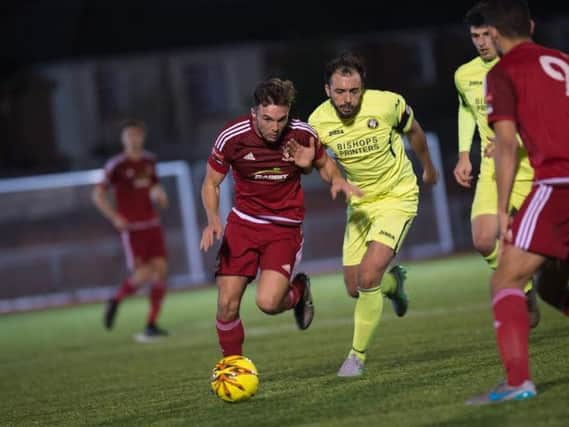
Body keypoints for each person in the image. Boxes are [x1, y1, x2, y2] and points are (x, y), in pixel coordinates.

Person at [200, 78, 360, 358]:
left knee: (269, 303)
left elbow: (325, 164)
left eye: (280, 119)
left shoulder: (301, 134)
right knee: (226, 304)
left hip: (283, 228)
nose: (275, 127)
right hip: (243, 225)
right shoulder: (232, 136)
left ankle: (299, 289)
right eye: (267, 119)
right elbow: (211, 183)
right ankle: (233, 367)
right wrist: (213, 218)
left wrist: (336, 180)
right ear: (254, 113)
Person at [308, 52, 439, 377]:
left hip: (398, 197)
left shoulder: (387, 103)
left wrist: (428, 167)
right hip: (360, 204)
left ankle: (356, 357)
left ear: (363, 87)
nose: (347, 98)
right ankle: (395, 284)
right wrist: (333, 177)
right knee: (354, 287)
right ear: (328, 90)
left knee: (368, 277)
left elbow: (415, 130)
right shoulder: (317, 122)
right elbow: (322, 163)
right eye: (340, 91)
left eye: (354, 91)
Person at [466, 0, 569, 405]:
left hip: (558, 184)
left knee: (506, 279)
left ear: (492, 33)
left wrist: (505, 208)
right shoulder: (561, 60)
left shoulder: (504, 72)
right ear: (530, 25)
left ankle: (517, 382)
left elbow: (505, 145)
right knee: (553, 285)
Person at [453, 2, 539, 328]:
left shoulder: (522, 67)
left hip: (533, 164)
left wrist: (510, 141)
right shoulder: (465, 74)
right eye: (475, 36)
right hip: (494, 167)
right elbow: (466, 109)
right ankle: (526, 289)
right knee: (483, 239)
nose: (481, 42)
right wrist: (464, 154)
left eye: (486, 35)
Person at [92, 119, 170, 341]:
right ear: (123, 138)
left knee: (161, 270)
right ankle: (116, 299)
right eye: (129, 135)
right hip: (133, 229)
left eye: (137, 135)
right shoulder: (117, 164)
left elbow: (155, 187)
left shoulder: (149, 161)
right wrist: (115, 217)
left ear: (142, 137)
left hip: (152, 224)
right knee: (144, 274)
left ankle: (152, 324)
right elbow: (97, 194)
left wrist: (161, 197)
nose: (133, 139)